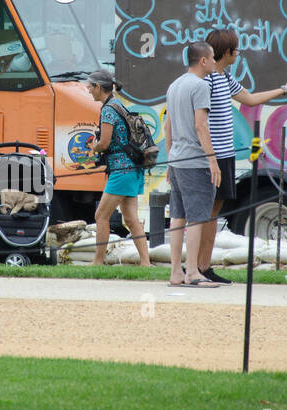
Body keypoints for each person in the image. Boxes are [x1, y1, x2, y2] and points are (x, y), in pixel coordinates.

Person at [194, 28, 287, 284]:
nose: (238, 53)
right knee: (205, 212)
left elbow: (250, 99)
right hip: (211, 154)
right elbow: (198, 120)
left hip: (225, 154)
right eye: (236, 49)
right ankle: (197, 267)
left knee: (214, 211)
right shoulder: (207, 80)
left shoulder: (224, 77)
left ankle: (204, 266)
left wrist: (283, 90)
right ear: (227, 52)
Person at [164, 42, 221, 287]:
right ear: (203, 61)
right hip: (195, 162)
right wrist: (212, 160)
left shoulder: (174, 84)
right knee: (197, 218)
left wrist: (169, 159)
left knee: (177, 217)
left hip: (177, 160)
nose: (215, 63)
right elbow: (201, 126)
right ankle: (193, 273)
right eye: (213, 58)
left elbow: (168, 126)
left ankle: (176, 272)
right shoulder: (200, 86)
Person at [86, 69, 150, 266]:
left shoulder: (107, 109)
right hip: (134, 169)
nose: (88, 90)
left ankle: (97, 262)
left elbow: (104, 143)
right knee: (131, 219)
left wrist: (93, 147)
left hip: (122, 170)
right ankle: (145, 263)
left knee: (101, 215)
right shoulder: (118, 104)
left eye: (90, 86)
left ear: (98, 87)